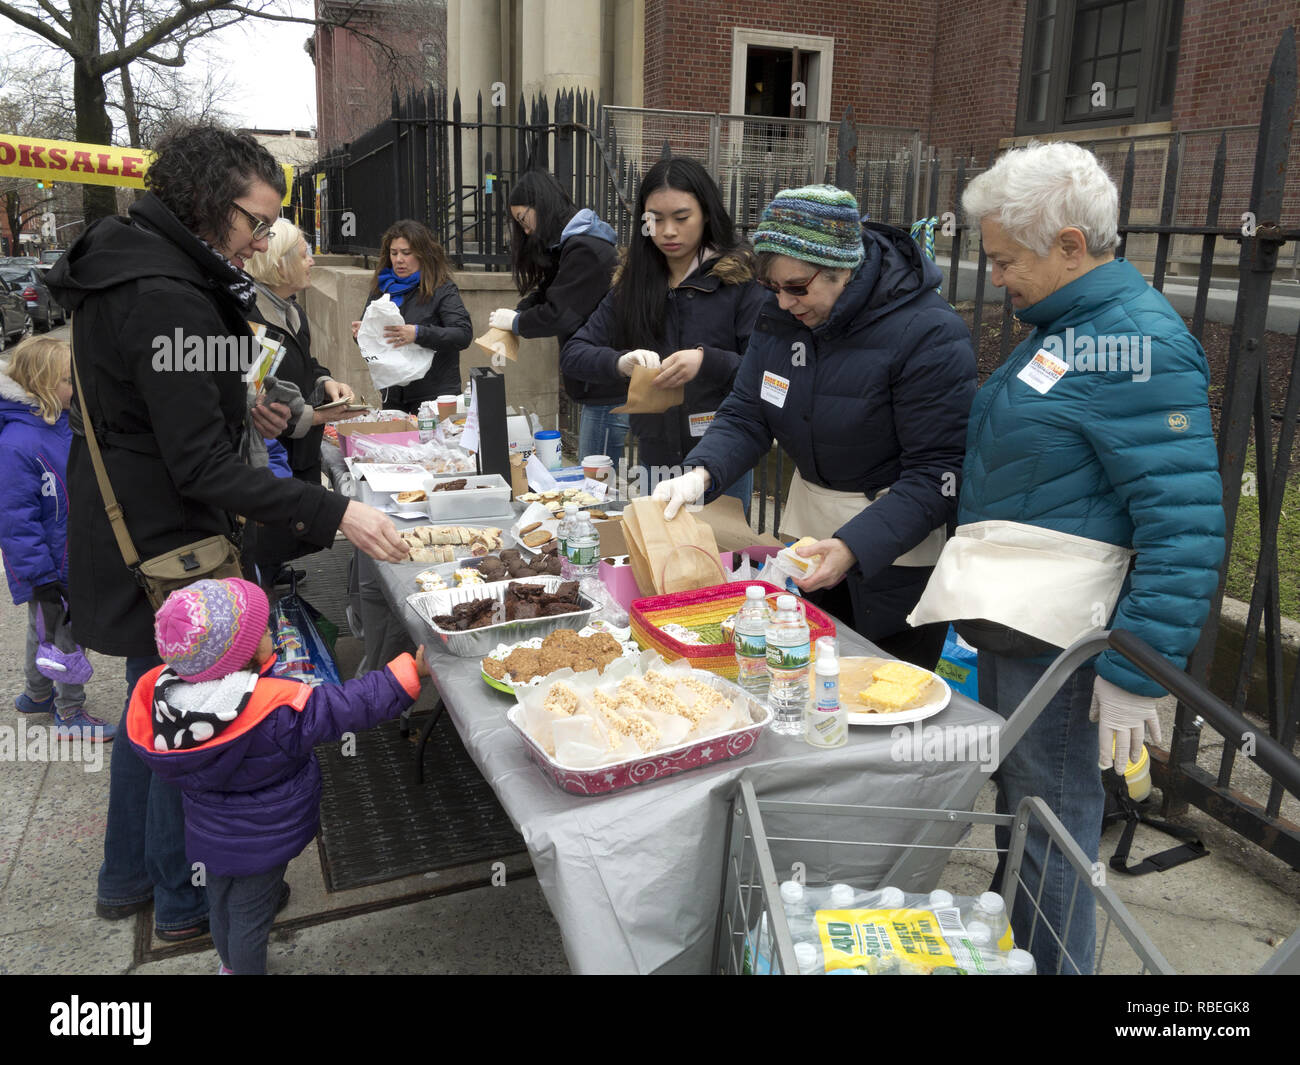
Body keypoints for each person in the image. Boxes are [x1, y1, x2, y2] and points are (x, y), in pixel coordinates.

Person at [45, 124, 410, 944]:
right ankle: (181, 900)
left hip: (136, 536)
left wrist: (245, 403)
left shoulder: (141, 262)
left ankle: (128, 876)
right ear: (211, 204)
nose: (260, 238)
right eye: (254, 220)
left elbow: (161, 404)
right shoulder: (164, 289)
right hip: (164, 551)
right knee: (194, 724)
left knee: (153, 709)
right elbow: (200, 466)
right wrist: (336, 511)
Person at [906, 141, 1225, 973]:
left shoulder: (1135, 341)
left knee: (1051, 826)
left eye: (1007, 258)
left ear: (1071, 246)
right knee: (1031, 812)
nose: (996, 276)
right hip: (1025, 624)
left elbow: (1184, 523)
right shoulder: (1072, 326)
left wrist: (1138, 668)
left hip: (1067, 637)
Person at [655, 185, 976, 668]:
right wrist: (700, 473)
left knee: (878, 688)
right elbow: (748, 411)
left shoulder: (928, 332)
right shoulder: (781, 317)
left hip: (895, 551)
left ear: (843, 270)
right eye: (772, 288)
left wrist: (853, 546)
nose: (784, 303)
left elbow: (937, 473)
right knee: (800, 676)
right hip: (809, 535)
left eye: (798, 288)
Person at [129, 578, 429, 974]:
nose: (272, 634)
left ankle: (228, 966)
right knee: (252, 920)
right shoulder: (275, 711)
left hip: (210, 835)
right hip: (264, 838)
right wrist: (407, 673)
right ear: (244, 654)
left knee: (220, 906)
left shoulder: (168, 703)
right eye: (265, 631)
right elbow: (347, 706)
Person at [561, 157, 766, 508]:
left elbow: (764, 371)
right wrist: (620, 362)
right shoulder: (633, 283)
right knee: (659, 556)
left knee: (720, 558)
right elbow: (574, 354)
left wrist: (707, 361)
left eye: (681, 218)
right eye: (655, 219)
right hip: (655, 457)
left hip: (721, 458)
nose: (668, 231)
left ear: (706, 213)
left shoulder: (740, 282)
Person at [0, 336, 112, 738]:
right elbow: (15, 520)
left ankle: (37, 693)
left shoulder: (62, 424)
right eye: (68, 380)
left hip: (68, 555)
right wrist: (40, 578)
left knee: (43, 629)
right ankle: (70, 711)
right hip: (49, 566)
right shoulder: (17, 444)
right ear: (45, 386)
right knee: (66, 636)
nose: (76, 388)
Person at [245, 221, 365, 585]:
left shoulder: (291, 311)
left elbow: (307, 365)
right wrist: (316, 417)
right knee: (267, 540)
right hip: (273, 455)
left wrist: (327, 382)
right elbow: (254, 398)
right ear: (279, 265)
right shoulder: (252, 321)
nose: (312, 261)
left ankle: (275, 574)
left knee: (286, 539)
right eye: (305, 253)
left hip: (299, 450)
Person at [489, 170, 621, 464]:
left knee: (598, 483)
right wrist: (519, 311)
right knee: (599, 479)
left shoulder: (584, 249)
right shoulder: (571, 244)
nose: (524, 231)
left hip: (606, 388)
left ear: (542, 206)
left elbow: (561, 314)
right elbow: (551, 292)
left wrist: (515, 323)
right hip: (599, 384)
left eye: (524, 220)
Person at [351, 220, 471, 413]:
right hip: (393, 394)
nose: (399, 259)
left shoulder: (442, 288)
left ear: (423, 254)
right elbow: (375, 341)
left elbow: (462, 334)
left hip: (434, 397)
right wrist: (362, 334)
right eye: (394, 253)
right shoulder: (383, 287)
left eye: (406, 253)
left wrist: (417, 333)